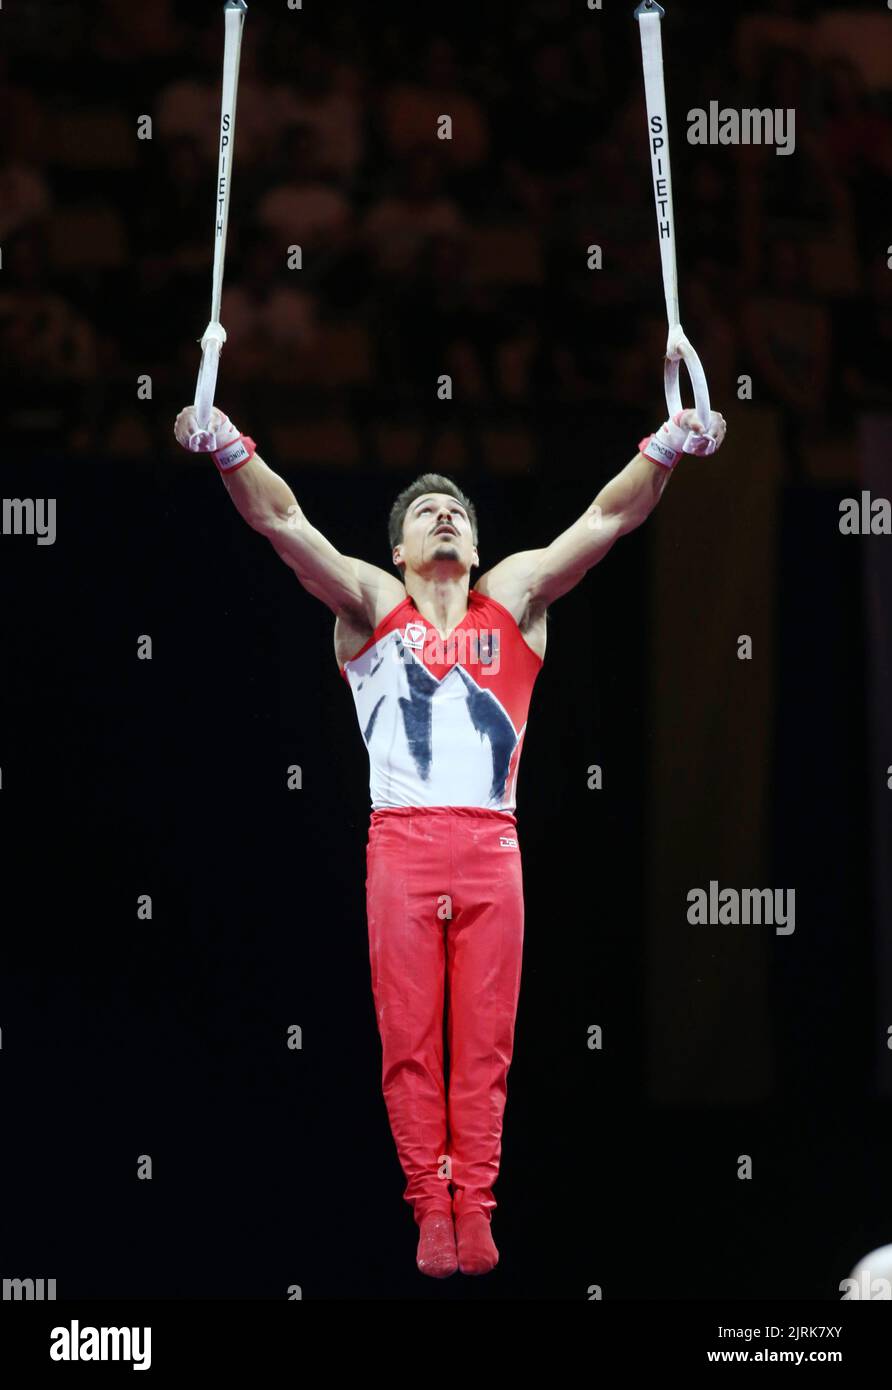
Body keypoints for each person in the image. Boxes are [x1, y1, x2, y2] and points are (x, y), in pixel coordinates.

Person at [173, 400, 727, 1277]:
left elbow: (607, 517)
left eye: (459, 513)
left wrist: (667, 445)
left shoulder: (513, 596)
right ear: (397, 549)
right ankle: (431, 1209)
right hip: (399, 844)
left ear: (475, 550)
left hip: (492, 850)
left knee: (483, 1048)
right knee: (411, 1044)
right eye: (426, 512)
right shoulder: (370, 602)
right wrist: (226, 445)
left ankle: (479, 1203)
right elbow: (281, 519)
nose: (445, 515)